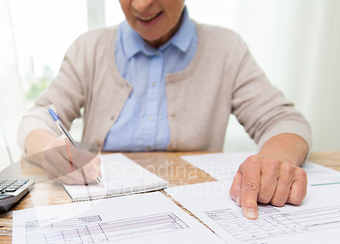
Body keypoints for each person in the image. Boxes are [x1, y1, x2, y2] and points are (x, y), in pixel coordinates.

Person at [17, 0, 311, 220]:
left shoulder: (227, 49)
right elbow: (36, 118)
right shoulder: (89, 48)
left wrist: (275, 158)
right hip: (101, 209)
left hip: (195, 212)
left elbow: (284, 121)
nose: (141, 5)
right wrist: (53, 149)